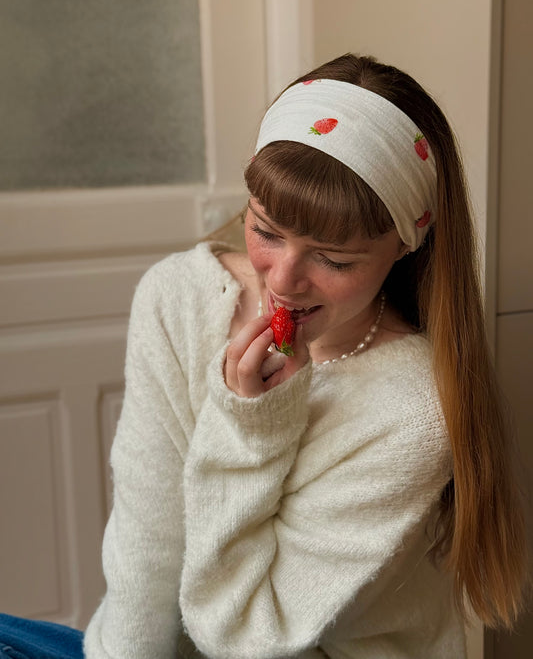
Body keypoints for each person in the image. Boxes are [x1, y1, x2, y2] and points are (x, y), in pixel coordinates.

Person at [1, 53, 527, 659]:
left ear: (404, 247)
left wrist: (253, 425)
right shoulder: (178, 298)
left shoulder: (414, 410)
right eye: (266, 230)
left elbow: (244, 633)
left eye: (333, 259)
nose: (282, 280)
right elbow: (148, 533)